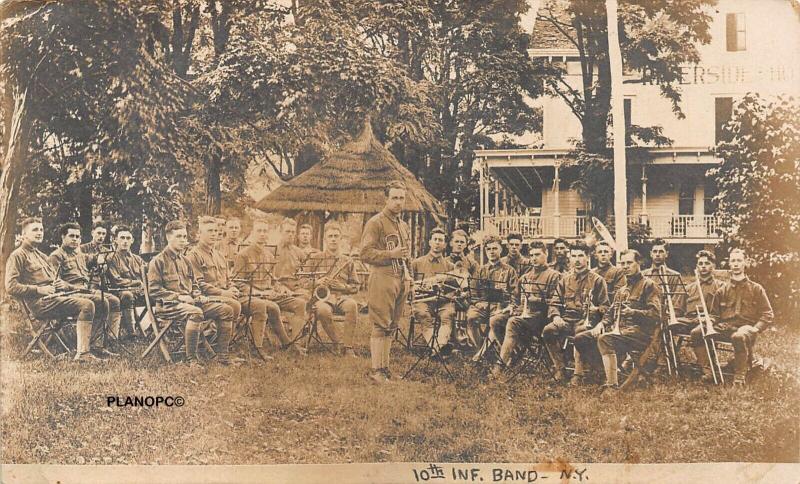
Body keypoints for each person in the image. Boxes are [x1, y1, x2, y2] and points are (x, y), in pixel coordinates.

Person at [5, 217, 100, 362]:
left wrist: (64, 287)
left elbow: (54, 280)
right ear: (24, 234)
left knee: (102, 301)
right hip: (41, 303)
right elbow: (10, 286)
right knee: (86, 305)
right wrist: (38, 290)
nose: (39, 232)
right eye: (35, 230)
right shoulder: (17, 255)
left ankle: (91, 345)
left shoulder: (41, 255)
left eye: (41, 229)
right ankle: (83, 354)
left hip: (55, 297)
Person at [148, 220, 235, 366]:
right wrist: (179, 297)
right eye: (179, 237)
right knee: (195, 313)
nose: (183, 240)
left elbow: (194, 285)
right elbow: (154, 290)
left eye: (184, 236)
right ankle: (192, 359)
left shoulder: (186, 261)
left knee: (226, 310)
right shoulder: (158, 261)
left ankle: (223, 357)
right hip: (169, 306)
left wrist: (197, 295)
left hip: (191, 303)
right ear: (169, 237)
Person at [691, 249, 773, 386]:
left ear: (745, 263)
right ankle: (708, 371)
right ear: (729, 263)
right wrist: (710, 321)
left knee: (738, 336)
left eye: (739, 260)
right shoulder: (722, 290)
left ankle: (739, 376)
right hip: (724, 327)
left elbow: (767, 313)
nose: (736, 264)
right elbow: (714, 314)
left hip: (745, 329)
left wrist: (756, 329)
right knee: (696, 333)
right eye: (733, 261)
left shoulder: (756, 289)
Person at [360, 180, 412, 383]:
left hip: (400, 277)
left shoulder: (403, 224)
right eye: (395, 198)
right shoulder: (376, 222)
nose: (399, 202)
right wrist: (391, 254)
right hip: (382, 277)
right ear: (386, 199)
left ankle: (385, 368)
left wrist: (409, 275)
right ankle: (376, 370)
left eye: (402, 198)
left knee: (392, 324)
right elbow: (364, 253)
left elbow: (405, 255)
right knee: (381, 323)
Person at [49, 222, 122, 357]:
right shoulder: (56, 256)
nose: (75, 239)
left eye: (77, 236)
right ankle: (88, 347)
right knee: (102, 301)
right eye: (71, 236)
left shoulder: (79, 254)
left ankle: (99, 344)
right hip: (69, 294)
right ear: (63, 237)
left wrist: (101, 260)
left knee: (113, 300)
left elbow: (94, 258)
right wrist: (69, 286)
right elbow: (55, 283)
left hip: (84, 291)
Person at [595, 249, 662, 390]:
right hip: (624, 332)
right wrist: (602, 323)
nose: (625, 266)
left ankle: (612, 385)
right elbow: (611, 312)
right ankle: (602, 374)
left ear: (639, 263)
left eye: (629, 263)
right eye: (623, 263)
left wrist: (634, 312)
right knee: (585, 337)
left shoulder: (648, 285)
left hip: (642, 334)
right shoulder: (622, 290)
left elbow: (656, 314)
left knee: (604, 340)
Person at [233, 218, 300, 354]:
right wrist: (260, 293)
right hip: (248, 297)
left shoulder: (269, 255)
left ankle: (290, 343)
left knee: (298, 303)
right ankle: (257, 348)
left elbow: (273, 280)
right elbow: (237, 282)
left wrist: (280, 288)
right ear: (253, 233)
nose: (262, 234)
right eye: (259, 231)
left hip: (267, 295)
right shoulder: (243, 255)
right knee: (264, 306)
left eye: (265, 231)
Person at [544, 242, 609, 382]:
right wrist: (556, 316)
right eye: (573, 256)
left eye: (580, 256)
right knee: (548, 330)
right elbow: (554, 302)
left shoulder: (598, 280)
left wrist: (596, 309)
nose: (577, 260)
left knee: (580, 331)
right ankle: (560, 368)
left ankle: (578, 374)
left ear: (587, 258)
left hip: (588, 321)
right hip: (567, 320)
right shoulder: (565, 279)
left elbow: (606, 307)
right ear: (569, 258)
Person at [186, 216, 242, 365]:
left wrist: (232, 287)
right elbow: (198, 284)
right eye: (209, 231)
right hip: (203, 298)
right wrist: (223, 293)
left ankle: (220, 346)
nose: (213, 234)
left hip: (222, 296)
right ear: (199, 234)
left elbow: (228, 278)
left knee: (236, 303)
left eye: (216, 231)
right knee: (233, 306)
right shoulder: (194, 255)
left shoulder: (218, 255)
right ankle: (222, 353)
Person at [497, 241, 560, 372]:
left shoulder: (554, 276)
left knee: (512, 322)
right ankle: (513, 354)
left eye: (537, 254)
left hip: (543, 317)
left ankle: (500, 365)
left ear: (546, 254)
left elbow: (557, 302)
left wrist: (537, 299)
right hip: (526, 316)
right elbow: (516, 298)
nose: (534, 258)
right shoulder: (525, 277)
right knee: (495, 320)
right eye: (531, 255)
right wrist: (512, 306)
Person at [303, 222, 361, 357]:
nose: (333, 239)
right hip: (322, 298)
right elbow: (303, 281)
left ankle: (348, 347)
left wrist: (343, 287)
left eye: (336, 236)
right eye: (330, 236)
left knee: (352, 305)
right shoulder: (315, 259)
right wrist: (317, 281)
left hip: (341, 297)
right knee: (322, 310)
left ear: (341, 239)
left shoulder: (348, 261)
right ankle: (337, 342)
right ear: (325, 239)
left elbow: (356, 286)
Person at [466, 236, 518, 362]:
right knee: (471, 318)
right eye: (488, 249)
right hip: (482, 306)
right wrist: (478, 302)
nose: (492, 251)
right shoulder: (480, 270)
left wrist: (509, 306)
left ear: (501, 249)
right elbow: (473, 290)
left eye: (495, 248)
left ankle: (481, 354)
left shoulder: (509, 270)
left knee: (493, 321)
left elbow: (515, 293)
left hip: (501, 306)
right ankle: (483, 350)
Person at [411, 227, 456, 354]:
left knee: (448, 315)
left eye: (440, 240)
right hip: (422, 301)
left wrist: (447, 294)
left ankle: (436, 348)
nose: (437, 242)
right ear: (430, 242)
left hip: (443, 301)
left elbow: (453, 289)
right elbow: (409, 285)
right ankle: (439, 348)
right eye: (435, 239)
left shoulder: (450, 266)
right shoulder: (416, 263)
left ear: (445, 244)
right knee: (423, 315)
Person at [672, 250, 723, 339]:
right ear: (697, 267)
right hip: (689, 322)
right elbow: (678, 309)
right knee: (665, 326)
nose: (703, 266)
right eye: (700, 263)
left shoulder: (721, 287)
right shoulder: (688, 288)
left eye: (707, 263)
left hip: (708, 322)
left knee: (697, 332)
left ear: (713, 266)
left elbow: (723, 312)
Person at [106, 225, 145, 339]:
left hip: (140, 292)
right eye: (122, 238)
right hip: (118, 292)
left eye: (128, 238)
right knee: (127, 295)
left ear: (132, 240)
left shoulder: (137, 259)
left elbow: (146, 275)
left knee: (158, 294)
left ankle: (162, 329)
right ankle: (131, 333)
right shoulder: (111, 258)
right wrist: (136, 282)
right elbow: (117, 281)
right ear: (115, 240)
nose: (125, 241)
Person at [642, 238, 685, 319]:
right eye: (655, 251)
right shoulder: (643, 275)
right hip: (645, 316)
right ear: (651, 254)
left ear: (667, 254)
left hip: (667, 317)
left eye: (661, 251)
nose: (657, 254)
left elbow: (678, 303)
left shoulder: (675, 276)